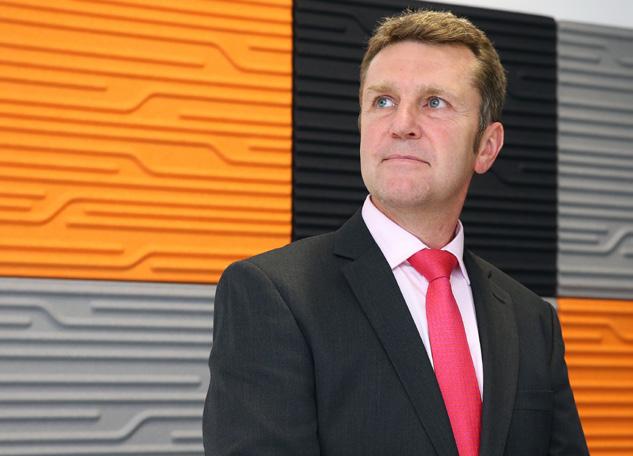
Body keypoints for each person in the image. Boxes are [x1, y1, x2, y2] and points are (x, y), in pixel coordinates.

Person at [203, 9, 588, 456]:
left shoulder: (532, 319)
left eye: (434, 103)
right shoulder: (272, 294)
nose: (402, 124)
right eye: (383, 101)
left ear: (486, 147)